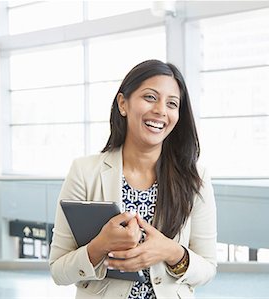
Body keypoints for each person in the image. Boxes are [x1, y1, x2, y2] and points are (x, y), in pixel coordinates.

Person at [49, 59, 217, 299]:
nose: (161, 110)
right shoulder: (84, 172)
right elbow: (58, 271)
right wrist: (100, 246)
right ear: (123, 103)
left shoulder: (194, 178)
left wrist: (171, 252)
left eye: (172, 103)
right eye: (150, 97)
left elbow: (208, 268)